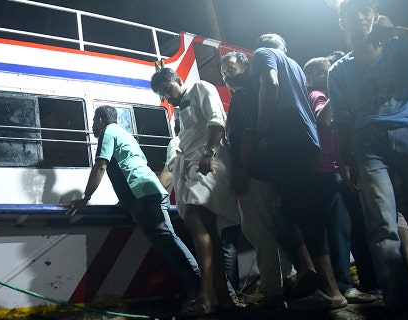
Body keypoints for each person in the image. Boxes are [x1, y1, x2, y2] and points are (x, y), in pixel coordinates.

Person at [328, 0, 408, 315]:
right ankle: (398, 300)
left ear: (375, 15)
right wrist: (345, 159)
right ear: (342, 23)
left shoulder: (400, 47)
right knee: (381, 223)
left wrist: (398, 29)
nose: (359, 17)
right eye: (351, 13)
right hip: (368, 145)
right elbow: (342, 120)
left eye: (365, 11)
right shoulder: (340, 69)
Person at [63, 105, 201, 308]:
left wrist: (86, 197)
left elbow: (101, 165)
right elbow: (131, 164)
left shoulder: (108, 132)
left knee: (168, 241)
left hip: (144, 195)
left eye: (94, 120)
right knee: (167, 242)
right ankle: (198, 289)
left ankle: (200, 288)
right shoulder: (124, 134)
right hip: (146, 193)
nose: (92, 125)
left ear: (101, 120)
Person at [250, 33, 347, 311]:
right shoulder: (293, 64)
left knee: (305, 215)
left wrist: (260, 130)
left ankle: (331, 290)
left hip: (287, 142)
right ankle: (311, 274)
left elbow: (270, 84)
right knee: (292, 211)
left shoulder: (264, 54)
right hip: (307, 142)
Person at [151, 67, 239, 316]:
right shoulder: (180, 110)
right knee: (209, 231)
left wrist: (210, 153)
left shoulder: (201, 87)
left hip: (207, 164)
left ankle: (206, 294)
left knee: (196, 223)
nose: (168, 97)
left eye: (168, 89)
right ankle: (223, 298)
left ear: (179, 80)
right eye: (163, 94)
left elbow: (216, 121)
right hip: (192, 168)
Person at [220, 50, 295, 310]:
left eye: (231, 68)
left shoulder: (242, 96)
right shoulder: (255, 95)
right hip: (269, 171)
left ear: (246, 67)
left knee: (258, 231)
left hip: (253, 172)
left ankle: (275, 292)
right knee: (273, 227)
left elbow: (249, 133)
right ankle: (289, 281)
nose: (227, 74)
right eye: (224, 72)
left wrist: (242, 168)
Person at [304, 56, 377, 305]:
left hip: (338, 169)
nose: (329, 76)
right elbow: (323, 119)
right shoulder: (316, 95)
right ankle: (343, 285)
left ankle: (363, 282)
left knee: (352, 227)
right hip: (326, 172)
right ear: (310, 77)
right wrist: (337, 87)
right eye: (324, 73)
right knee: (339, 229)